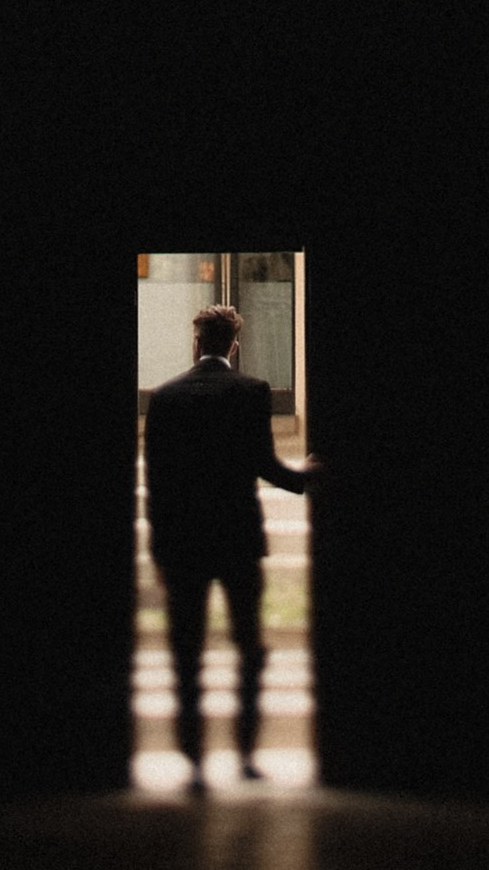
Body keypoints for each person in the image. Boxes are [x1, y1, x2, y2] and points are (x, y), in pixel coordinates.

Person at [141, 302, 316, 791]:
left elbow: (157, 480)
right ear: (233, 346)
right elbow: (265, 465)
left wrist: (158, 548)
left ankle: (195, 763)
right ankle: (244, 757)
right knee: (249, 648)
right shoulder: (252, 392)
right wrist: (307, 477)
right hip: (238, 537)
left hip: (183, 542)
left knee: (187, 652)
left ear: (195, 342)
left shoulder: (165, 398)